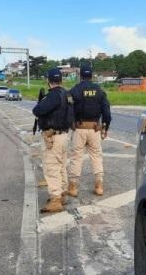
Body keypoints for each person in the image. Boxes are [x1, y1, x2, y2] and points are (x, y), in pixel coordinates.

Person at [32, 68, 74, 213]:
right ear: (61, 80)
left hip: (53, 137)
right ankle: (62, 194)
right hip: (64, 136)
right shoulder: (67, 94)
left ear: (48, 81)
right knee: (61, 166)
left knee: (52, 168)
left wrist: (41, 102)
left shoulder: (54, 95)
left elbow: (37, 110)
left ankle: (55, 200)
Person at [67, 64, 111, 197]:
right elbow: (107, 114)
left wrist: (71, 124)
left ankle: (73, 188)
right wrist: (105, 127)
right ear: (92, 76)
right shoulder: (100, 91)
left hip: (79, 129)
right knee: (97, 156)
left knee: (76, 157)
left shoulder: (74, 90)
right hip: (94, 129)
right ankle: (99, 186)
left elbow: (68, 110)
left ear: (80, 76)